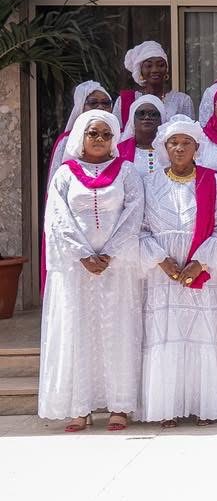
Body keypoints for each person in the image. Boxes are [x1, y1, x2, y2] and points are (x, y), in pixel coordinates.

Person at [39, 109, 145, 432]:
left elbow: (134, 213)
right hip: (77, 271)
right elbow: (57, 219)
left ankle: (119, 405)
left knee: (118, 331)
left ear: (114, 140)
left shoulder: (127, 172)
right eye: (93, 133)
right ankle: (79, 406)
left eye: (106, 135)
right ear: (81, 137)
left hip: (117, 268)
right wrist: (83, 254)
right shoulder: (65, 175)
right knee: (78, 331)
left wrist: (109, 253)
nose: (99, 139)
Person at [138, 117, 217, 427]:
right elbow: (140, 230)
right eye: (173, 143)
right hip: (163, 274)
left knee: (203, 335)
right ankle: (166, 407)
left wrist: (201, 261)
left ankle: (203, 405)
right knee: (167, 336)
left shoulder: (213, 180)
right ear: (164, 147)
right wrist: (161, 260)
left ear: (197, 147)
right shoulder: (149, 181)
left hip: (202, 272)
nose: (179, 147)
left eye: (186, 143)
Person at [48, 82, 112, 185]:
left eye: (106, 103)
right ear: (81, 107)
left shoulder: (117, 138)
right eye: (93, 103)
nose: (100, 107)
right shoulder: (66, 141)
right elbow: (55, 183)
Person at [117, 41, 193, 126]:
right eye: (149, 66)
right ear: (140, 71)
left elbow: (188, 133)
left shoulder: (182, 101)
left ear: (166, 69)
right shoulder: (125, 101)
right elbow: (115, 133)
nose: (155, 70)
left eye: (160, 65)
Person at [117, 94, 169, 177]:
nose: (147, 117)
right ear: (132, 120)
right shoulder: (119, 151)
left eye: (153, 114)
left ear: (161, 120)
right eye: (141, 113)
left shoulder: (170, 150)